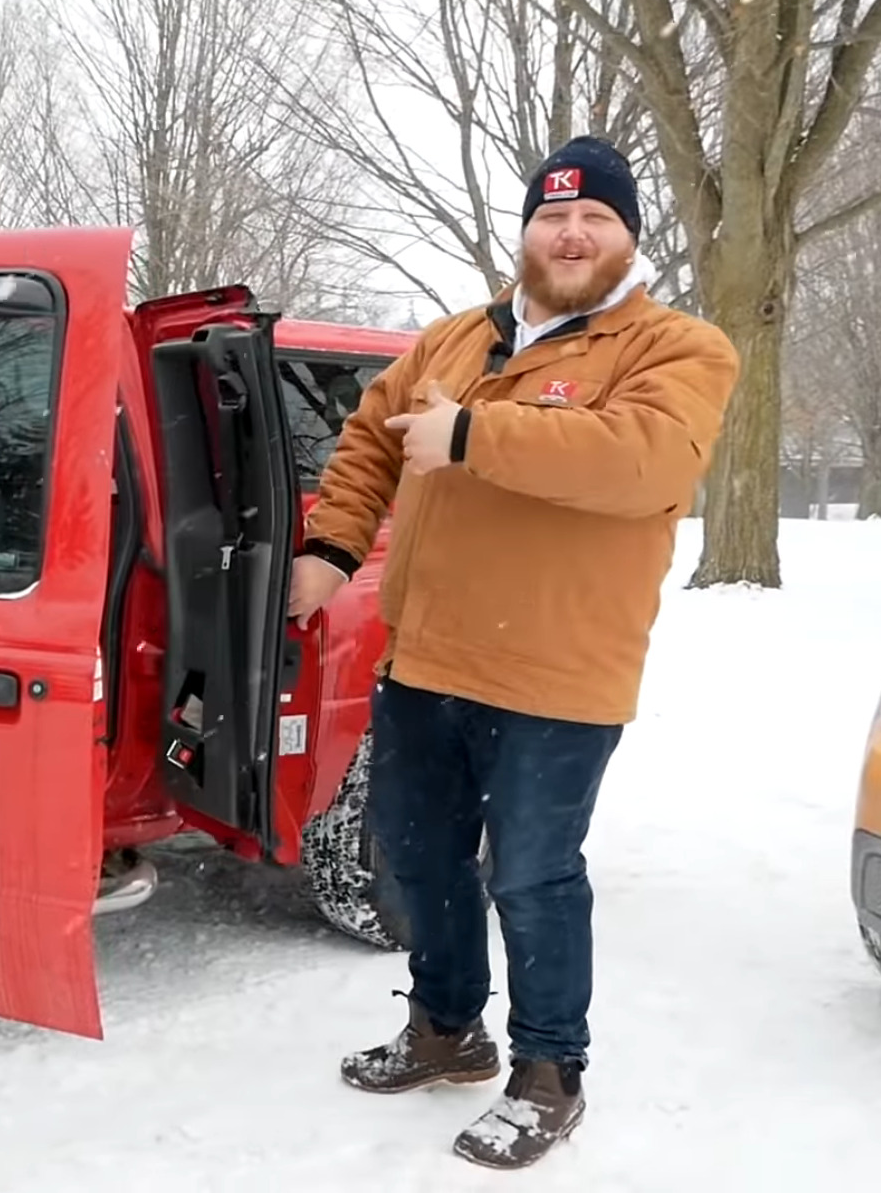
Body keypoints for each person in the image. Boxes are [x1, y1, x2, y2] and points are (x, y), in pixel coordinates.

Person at [287, 135, 739, 1170]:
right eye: (551, 214)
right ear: (526, 228)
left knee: (532, 875)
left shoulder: (675, 348)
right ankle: (447, 1029)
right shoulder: (451, 340)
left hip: (556, 671)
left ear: (626, 238)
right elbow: (366, 437)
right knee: (418, 852)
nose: (569, 232)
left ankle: (548, 1072)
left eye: (595, 218)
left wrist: (472, 437)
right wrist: (329, 544)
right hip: (426, 659)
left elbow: (644, 461)